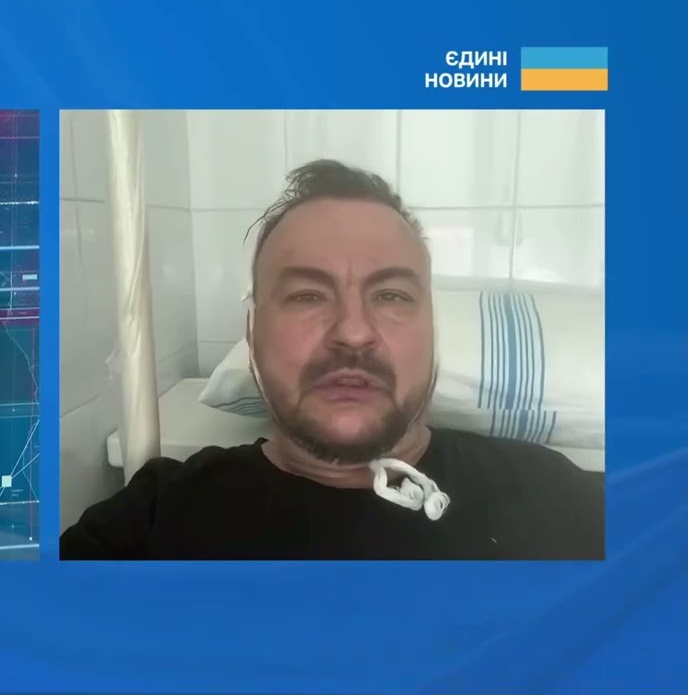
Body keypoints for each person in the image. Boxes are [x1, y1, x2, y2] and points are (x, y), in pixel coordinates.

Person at [61, 160, 605, 561]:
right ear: (252, 335)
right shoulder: (153, 521)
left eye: (391, 295)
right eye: (306, 295)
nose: (353, 332)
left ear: (433, 334)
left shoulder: (558, 497)